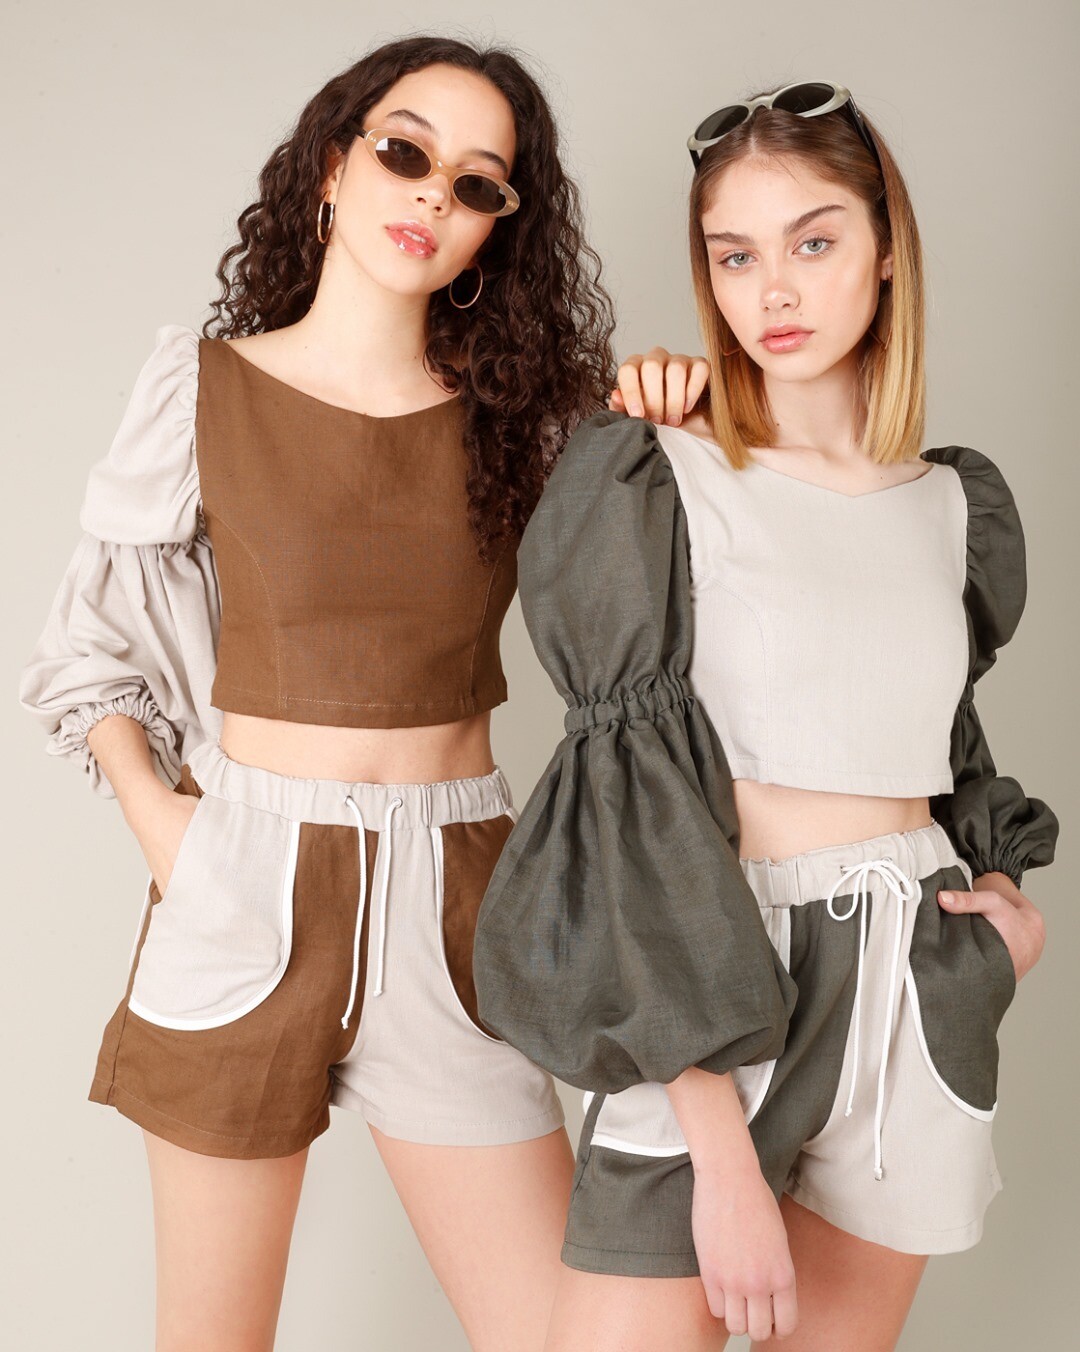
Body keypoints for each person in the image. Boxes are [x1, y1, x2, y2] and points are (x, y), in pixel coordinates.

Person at [20, 35, 629, 1352]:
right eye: (406, 152)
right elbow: (90, 647)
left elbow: (664, 622)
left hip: (457, 898)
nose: (432, 195)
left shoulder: (533, 427)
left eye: (477, 184)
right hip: (243, 883)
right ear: (333, 170)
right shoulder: (203, 388)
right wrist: (170, 834)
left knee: (561, 1334)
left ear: (496, 231)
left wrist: (677, 419)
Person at [475, 80, 1058, 1349]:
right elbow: (626, 799)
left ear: (886, 249)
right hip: (718, 980)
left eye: (813, 241)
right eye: (735, 255)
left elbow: (944, 732)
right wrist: (719, 1144)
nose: (773, 290)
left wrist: (1002, 915)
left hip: (915, 984)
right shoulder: (655, 471)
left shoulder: (955, 504)